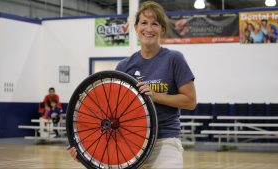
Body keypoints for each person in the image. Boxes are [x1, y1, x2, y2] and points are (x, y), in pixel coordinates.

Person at [67, 1, 196, 168]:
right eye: (144, 23)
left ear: (162, 29)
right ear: (135, 28)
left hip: (165, 141)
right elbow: (110, 112)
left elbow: (190, 101)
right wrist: (85, 151)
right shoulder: (123, 67)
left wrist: (154, 96)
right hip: (131, 143)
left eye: (155, 24)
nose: (149, 29)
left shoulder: (174, 59)